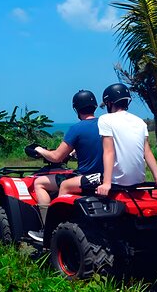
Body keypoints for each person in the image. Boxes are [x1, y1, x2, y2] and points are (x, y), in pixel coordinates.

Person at [26, 90, 104, 241]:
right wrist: (76, 152)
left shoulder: (77, 128)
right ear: (94, 106)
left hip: (85, 177)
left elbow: (56, 157)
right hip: (103, 177)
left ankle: (48, 227)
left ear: (76, 109)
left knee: (39, 183)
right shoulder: (105, 124)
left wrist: (40, 150)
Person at [95, 83, 157, 197]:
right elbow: (147, 152)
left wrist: (106, 183)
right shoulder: (139, 122)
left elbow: (109, 152)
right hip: (138, 181)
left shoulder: (105, 119)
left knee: (68, 184)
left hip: (117, 182)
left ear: (109, 103)